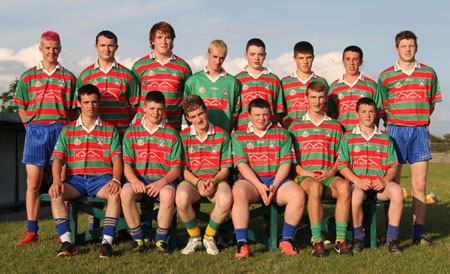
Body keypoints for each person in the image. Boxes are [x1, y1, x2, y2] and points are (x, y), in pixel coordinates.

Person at [12, 31, 77, 245]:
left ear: (60, 49)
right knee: (34, 182)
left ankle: (64, 232)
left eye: (56, 48)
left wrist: (65, 128)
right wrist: (30, 126)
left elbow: (74, 110)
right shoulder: (28, 76)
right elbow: (21, 105)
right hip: (36, 131)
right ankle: (32, 231)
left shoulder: (68, 77)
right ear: (40, 48)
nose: (52, 52)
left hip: (60, 130)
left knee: (63, 181)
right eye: (48, 48)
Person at [378, 30, 442, 246]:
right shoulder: (386, 77)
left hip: (419, 131)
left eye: (411, 45)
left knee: (420, 185)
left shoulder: (429, 73)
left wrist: (417, 118)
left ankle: (418, 233)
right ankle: (391, 232)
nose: (407, 49)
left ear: (416, 48)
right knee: (393, 185)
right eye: (403, 46)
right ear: (396, 49)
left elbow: (431, 104)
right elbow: (382, 109)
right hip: (395, 131)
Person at [48, 84, 123, 258]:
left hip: (101, 179)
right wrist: (56, 180)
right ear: (79, 103)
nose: (91, 106)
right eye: (86, 102)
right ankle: (67, 242)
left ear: (99, 103)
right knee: (56, 193)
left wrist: (116, 179)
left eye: (94, 102)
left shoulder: (110, 130)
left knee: (115, 193)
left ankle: (107, 243)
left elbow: (117, 159)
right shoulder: (67, 131)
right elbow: (57, 159)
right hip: (76, 181)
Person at [231, 98, 305, 259]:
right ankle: (242, 242)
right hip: (251, 181)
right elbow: (242, 165)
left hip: (277, 180)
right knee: (238, 193)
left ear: (270, 115)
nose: (261, 118)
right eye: (257, 115)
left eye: (265, 114)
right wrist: (258, 185)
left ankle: (286, 239)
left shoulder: (282, 134)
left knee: (298, 195)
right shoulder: (239, 135)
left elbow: (286, 164)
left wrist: (274, 186)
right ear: (249, 115)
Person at [289, 82, 352, 257]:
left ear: (326, 98)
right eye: (313, 97)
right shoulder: (295, 127)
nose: (317, 101)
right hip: (306, 177)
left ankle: (341, 240)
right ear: (306, 98)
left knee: (345, 187)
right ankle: (316, 241)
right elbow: (291, 160)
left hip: (328, 176)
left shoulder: (336, 126)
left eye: (320, 97)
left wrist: (331, 172)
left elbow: (342, 157)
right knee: (315, 187)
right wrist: (305, 172)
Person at [338, 97, 403, 254]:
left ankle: (392, 240)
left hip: (380, 186)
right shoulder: (348, 137)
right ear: (357, 114)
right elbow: (342, 165)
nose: (367, 115)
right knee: (356, 197)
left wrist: (385, 180)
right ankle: (358, 238)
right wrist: (357, 180)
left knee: (397, 192)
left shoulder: (385, 137)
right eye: (364, 112)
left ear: (376, 114)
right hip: (358, 185)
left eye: (371, 112)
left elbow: (393, 165)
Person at [121, 91, 182, 254]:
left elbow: (176, 169)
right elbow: (126, 165)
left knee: (168, 195)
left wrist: (161, 182)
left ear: (164, 110)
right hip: (138, 180)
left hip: (163, 181)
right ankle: (138, 240)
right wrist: (134, 181)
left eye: (160, 109)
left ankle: (161, 240)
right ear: (144, 108)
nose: (156, 112)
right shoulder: (131, 132)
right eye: (152, 108)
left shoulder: (172, 134)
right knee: (126, 193)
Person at [176, 95, 233, 255]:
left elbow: (226, 169)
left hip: (217, 181)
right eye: (193, 116)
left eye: (200, 114)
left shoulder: (222, 135)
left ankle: (208, 237)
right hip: (193, 181)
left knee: (226, 199)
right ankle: (194, 238)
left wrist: (213, 181)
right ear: (187, 118)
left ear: (206, 111)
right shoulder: (183, 137)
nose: (199, 119)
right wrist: (199, 182)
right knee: (181, 197)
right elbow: (183, 170)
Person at [77, 30, 139, 137]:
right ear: (96, 46)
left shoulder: (128, 75)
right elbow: (79, 105)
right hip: (94, 134)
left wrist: (122, 122)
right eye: (103, 45)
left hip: (120, 133)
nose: (106, 49)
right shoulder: (85, 76)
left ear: (116, 47)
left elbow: (134, 105)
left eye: (110, 45)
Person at [132, 22, 192, 131]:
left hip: (173, 129)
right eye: (159, 37)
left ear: (172, 40)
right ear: (152, 40)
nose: (164, 41)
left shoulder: (183, 67)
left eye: (167, 37)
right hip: (144, 129)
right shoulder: (139, 66)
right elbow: (133, 101)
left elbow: (188, 102)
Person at [184, 39, 240, 133]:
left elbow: (235, 112)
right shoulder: (193, 81)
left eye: (221, 58)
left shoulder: (232, 82)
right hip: (199, 137)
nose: (218, 61)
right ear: (208, 54)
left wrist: (227, 131)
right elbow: (186, 111)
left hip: (222, 137)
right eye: (214, 56)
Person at [328, 46, 383, 131]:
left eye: (355, 59)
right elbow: (330, 116)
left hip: (363, 138)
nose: (351, 63)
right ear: (343, 61)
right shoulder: (334, 88)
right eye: (348, 59)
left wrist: (371, 134)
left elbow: (378, 113)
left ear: (361, 62)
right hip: (342, 137)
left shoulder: (371, 85)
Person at [235, 38, 284, 128]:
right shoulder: (237, 80)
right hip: (244, 133)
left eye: (260, 54)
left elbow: (278, 111)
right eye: (252, 54)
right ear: (246, 55)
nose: (256, 58)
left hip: (268, 134)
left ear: (265, 55)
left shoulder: (274, 80)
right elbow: (234, 111)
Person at [281, 41, 328, 128]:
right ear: (294, 59)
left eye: (308, 57)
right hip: (292, 132)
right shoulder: (285, 83)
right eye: (301, 58)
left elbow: (327, 110)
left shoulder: (321, 81)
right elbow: (280, 112)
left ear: (313, 58)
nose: (305, 62)